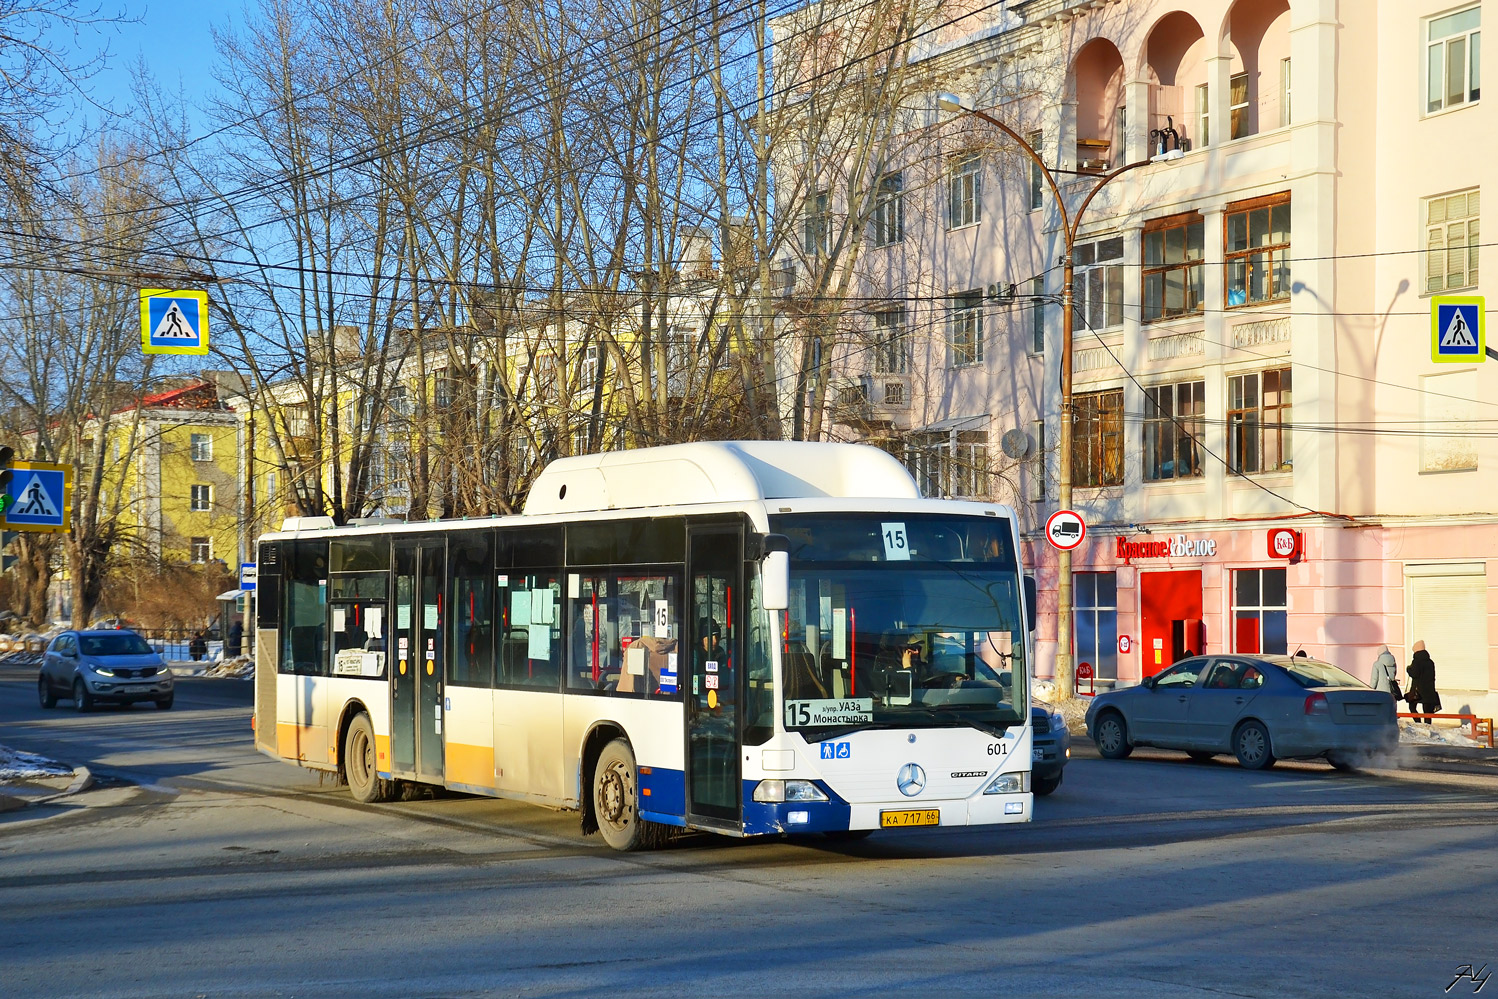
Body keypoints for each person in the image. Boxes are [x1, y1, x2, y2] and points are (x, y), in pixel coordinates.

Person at [1405, 640, 1442, 723]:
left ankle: (1418, 723)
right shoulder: (1430, 662)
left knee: (1412, 707)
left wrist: (1408, 669)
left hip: (1418, 690)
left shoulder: (1416, 661)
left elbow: (1414, 674)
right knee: (1427, 711)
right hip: (1429, 690)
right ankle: (1427, 726)